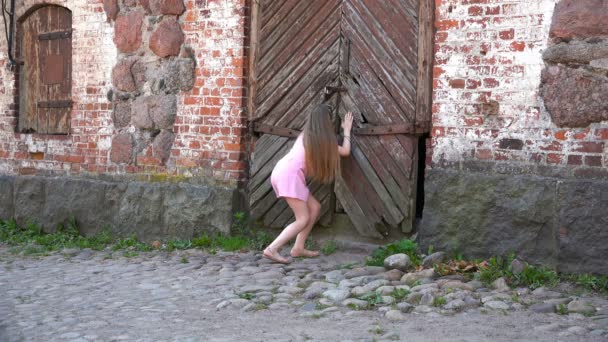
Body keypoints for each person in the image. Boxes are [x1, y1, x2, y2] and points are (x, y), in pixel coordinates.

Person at [263, 104, 353, 264]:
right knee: (302, 219)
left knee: (315, 207)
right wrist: (346, 131)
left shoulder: (307, 135)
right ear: (326, 122)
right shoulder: (322, 140)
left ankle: (298, 247)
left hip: (284, 171)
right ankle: (272, 248)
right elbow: (345, 151)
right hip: (290, 175)